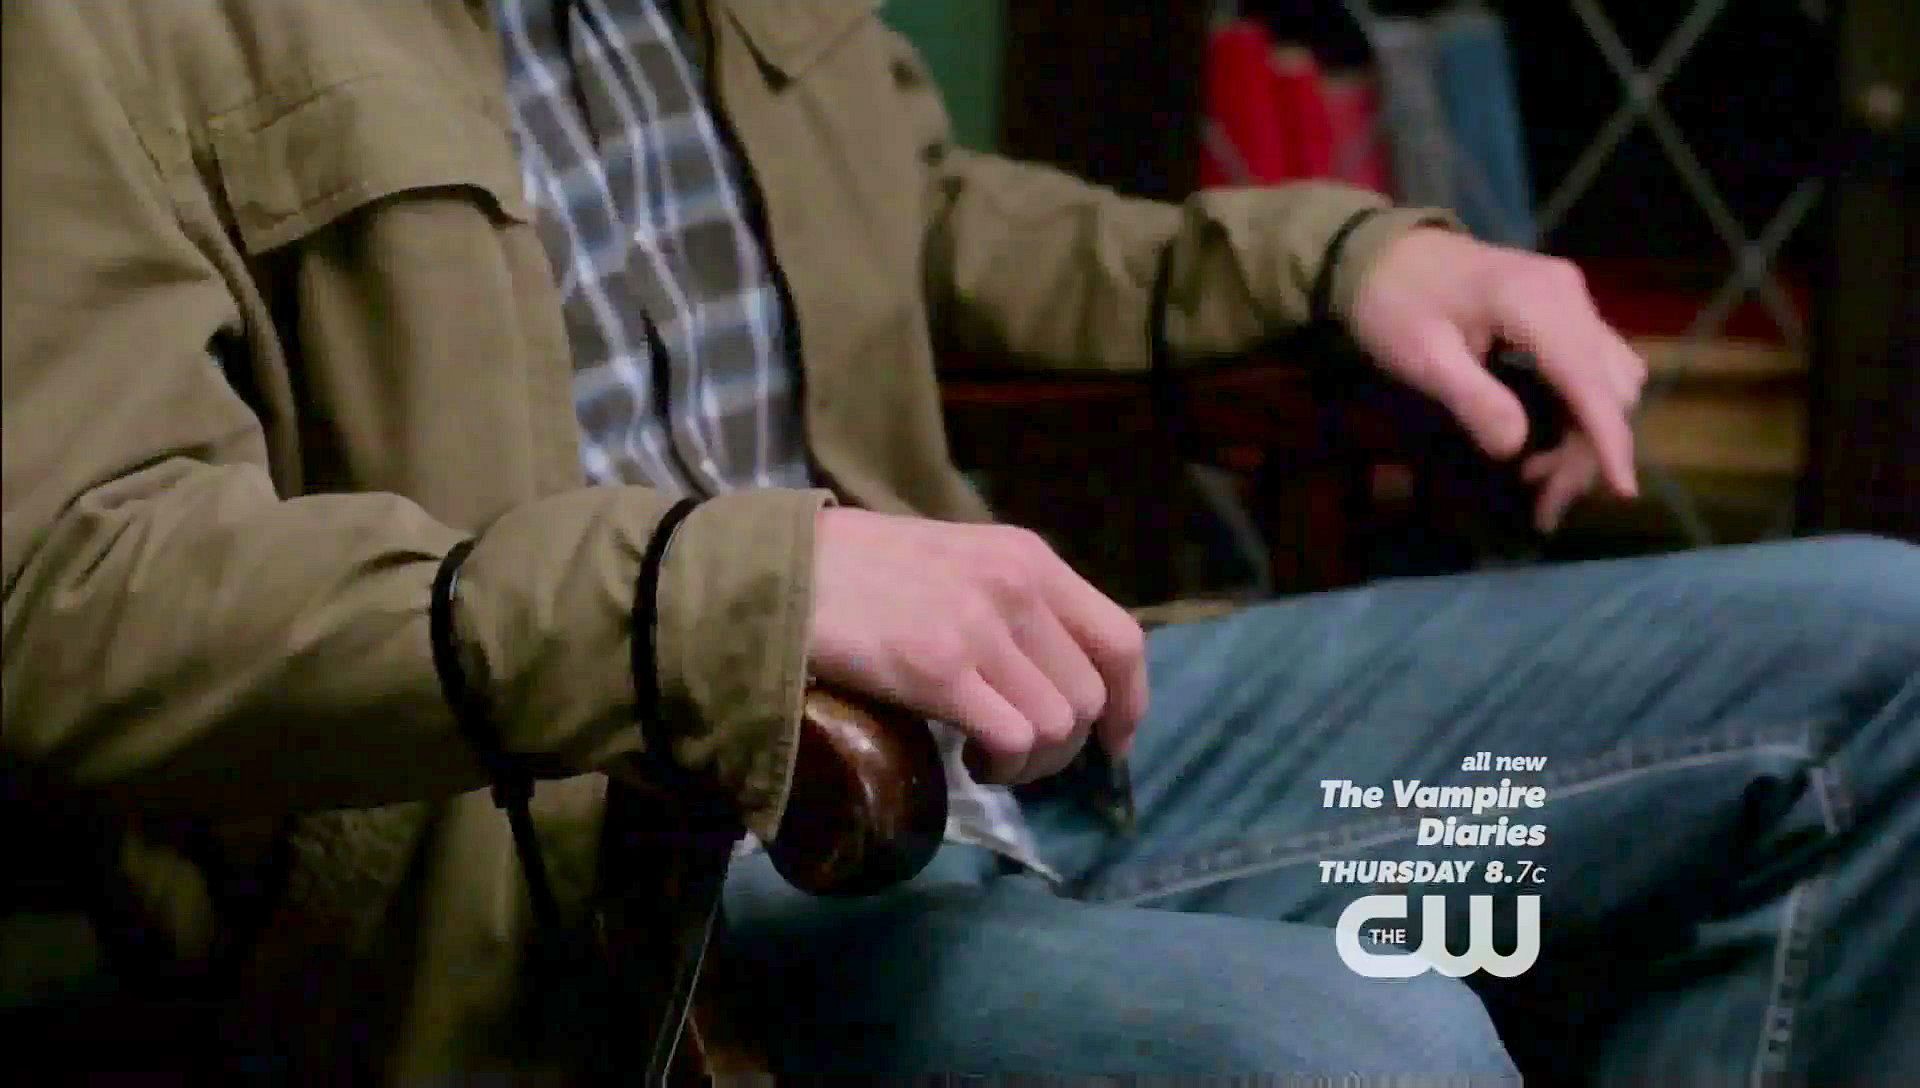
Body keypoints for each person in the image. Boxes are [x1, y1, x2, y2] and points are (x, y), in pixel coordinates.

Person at [2, 1, 1913, 1081]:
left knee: (1878, 657)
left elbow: (911, 213)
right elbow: (71, 600)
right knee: (1364, 1048)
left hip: (1031, 745)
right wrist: (730, 592)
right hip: (611, 891)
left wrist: (1344, 260)